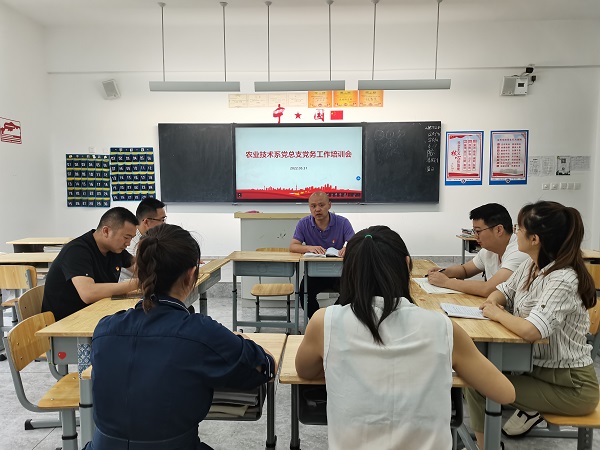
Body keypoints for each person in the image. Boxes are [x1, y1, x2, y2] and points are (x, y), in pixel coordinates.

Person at [295, 226, 515, 450]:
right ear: (407, 264)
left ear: (348, 270)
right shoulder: (442, 327)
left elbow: (305, 370)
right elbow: (504, 392)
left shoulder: (325, 322)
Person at [84, 224, 275, 450]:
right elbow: (264, 367)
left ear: (140, 274)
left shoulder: (104, 329)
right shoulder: (201, 333)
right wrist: (244, 343)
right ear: (191, 275)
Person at [466, 201, 598, 446]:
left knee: (479, 382)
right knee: (476, 375)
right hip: (534, 370)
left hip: (570, 386)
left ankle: (487, 446)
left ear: (535, 239)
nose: (515, 233)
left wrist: (497, 314)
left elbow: (531, 330)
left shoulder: (562, 278)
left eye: (519, 228)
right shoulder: (531, 264)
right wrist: (494, 301)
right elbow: (503, 290)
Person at [41, 207, 139, 321]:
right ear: (106, 231)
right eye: (126, 237)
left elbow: (138, 267)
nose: (128, 243)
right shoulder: (77, 250)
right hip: (65, 322)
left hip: (94, 314)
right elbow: (88, 293)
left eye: (131, 238)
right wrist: (137, 283)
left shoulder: (114, 249)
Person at [428, 203, 529, 297]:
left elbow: (488, 289)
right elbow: (465, 270)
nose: (475, 236)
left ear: (499, 230)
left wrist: (446, 282)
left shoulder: (519, 251)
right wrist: (443, 272)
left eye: (478, 231)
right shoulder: (489, 250)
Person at [289, 191, 355, 318]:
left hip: (339, 273)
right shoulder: (303, 223)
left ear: (329, 205)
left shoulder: (342, 222)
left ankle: (332, 318)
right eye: (313, 206)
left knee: (352, 290)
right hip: (315, 274)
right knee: (304, 292)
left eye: (321, 205)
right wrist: (309, 248)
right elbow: (293, 246)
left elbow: (355, 243)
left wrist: (348, 248)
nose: (317, 209)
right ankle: (316, 319)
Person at [120, 197, 166, 280]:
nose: (164, 224)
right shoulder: (129, 243)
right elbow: (143, 271)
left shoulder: (152, 237)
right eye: (162, 220)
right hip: (128, 284)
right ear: (146, 222)